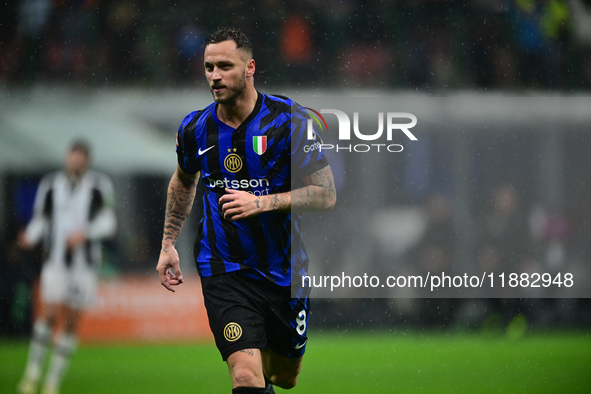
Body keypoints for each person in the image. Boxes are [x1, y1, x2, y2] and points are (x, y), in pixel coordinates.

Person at [156, 27, 336, 394]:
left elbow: (326, 193)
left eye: (225, 66)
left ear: (250, 67)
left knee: (284, 378)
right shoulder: (195, 128)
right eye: (208, 67)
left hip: (284, 271)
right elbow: (183, 180)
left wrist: (262, 202)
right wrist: (168, 242)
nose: (214, 76)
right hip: (224, 269)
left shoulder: (289, 121)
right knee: (245, 377)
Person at [17, 141, 117, 394]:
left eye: (80, 158)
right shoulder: (51, 185)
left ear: (87, 161)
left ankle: (52, 381)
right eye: (72, 157)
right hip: (55, 261)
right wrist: (29, 236)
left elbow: (109, 221)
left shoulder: (99, 185)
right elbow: (42, 218)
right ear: (66, 159)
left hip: (85, 265)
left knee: (71, 322)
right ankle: (32, 373)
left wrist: (85, 233)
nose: (75, 162)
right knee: (49, 314)